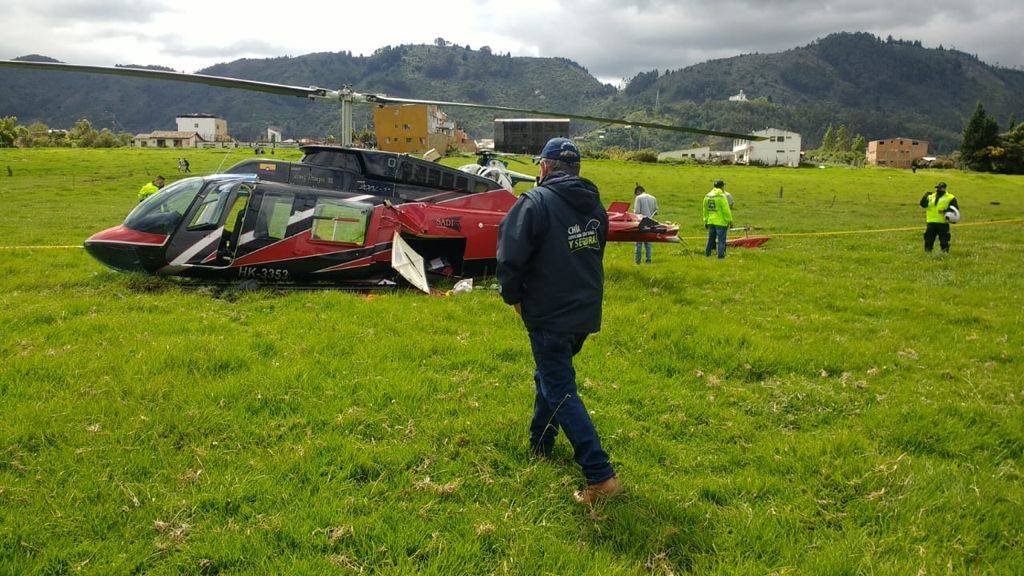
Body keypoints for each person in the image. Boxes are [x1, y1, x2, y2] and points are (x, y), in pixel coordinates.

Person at [496, 137, 621, 505]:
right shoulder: (595, 205)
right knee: (549, 378)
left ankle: (600, 475)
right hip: (584, 314)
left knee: (560, 389)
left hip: (549, 314)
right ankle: (541, 444)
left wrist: (514, 298)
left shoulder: (534, 202)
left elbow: (509, 259)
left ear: (544, 168)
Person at [920, 181, 958, 252]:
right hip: (931, 222)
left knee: (944, 241)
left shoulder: (950, 197)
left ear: (944, 188)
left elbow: (955, 209)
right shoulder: (930, 196)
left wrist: (945, 211)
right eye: (937, 188)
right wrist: (924, 197)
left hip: (943, 223)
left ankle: (944, 253)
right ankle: (928, 253)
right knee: (928, 240)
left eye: (940, 188)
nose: (938, 189)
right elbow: (923, 205)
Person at [703, 180, 733, 258]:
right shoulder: (721, 196)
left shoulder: (707, 196)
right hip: (721, 222)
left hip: (710, 221)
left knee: (710, 239)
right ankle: (720, 256)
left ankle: (707, 254)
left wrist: (705, 221)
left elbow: (705, 210)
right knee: (721, 240)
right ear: (722, 187)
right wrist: (730, 221)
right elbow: (726, 210)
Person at [632, 183, 659, 264]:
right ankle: (648, 260)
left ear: (638, 191)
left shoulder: (638, 198)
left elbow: (637, 212)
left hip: (641, 222)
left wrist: (633, 211)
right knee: (648, 243)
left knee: (639, 243)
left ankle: (637, 262)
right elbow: (656, 212)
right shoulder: (653, 198)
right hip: (650, 222)